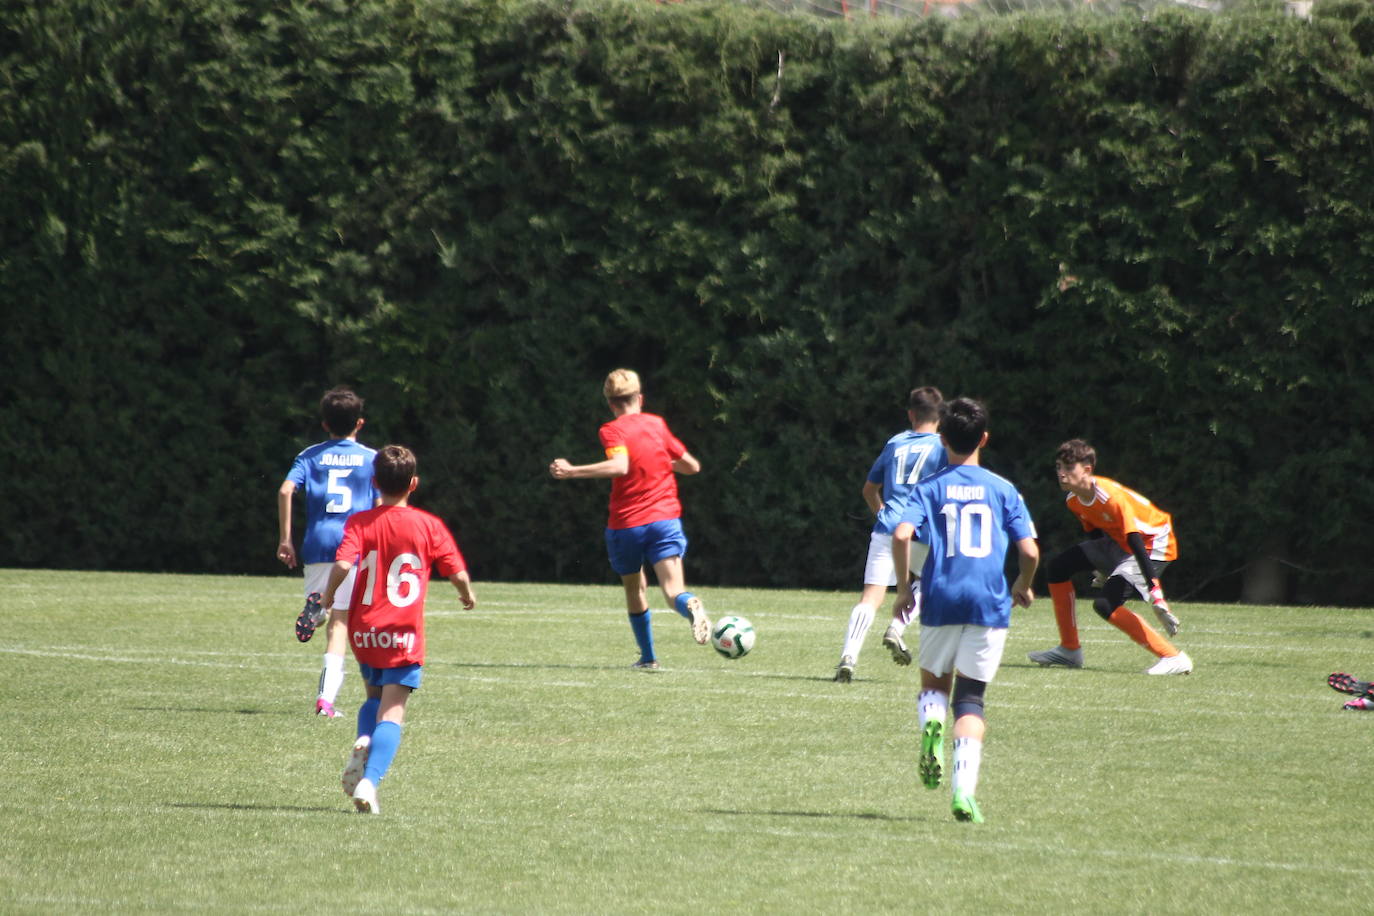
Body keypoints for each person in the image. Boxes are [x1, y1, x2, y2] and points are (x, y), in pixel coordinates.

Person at [891, 397, 1038, 824]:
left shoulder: (929, 487)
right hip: (988, 602)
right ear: (984, 439)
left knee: (934, 686)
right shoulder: (1003, 489)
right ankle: (963, 793)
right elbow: (1030, 551)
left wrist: (903, 590)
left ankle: (931, 723)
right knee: (971, 699)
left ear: (942, 440)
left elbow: (901, 535)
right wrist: (1023, 584)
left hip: (941, 597)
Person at [324, 444, 477, 814]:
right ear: (414, 483)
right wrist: (466, 593)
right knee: (393, 712)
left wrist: (327, 600)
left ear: (374, 482)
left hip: (364, 630)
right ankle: (370, 781)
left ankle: (364, 737)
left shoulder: (359, 522)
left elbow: (343, 565)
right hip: (403, 632)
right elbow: (456, 571)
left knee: (373, 698)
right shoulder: (428, 525)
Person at [548, 369, 711, 669]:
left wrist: (572, 471)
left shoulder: (612, 430)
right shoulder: (657, 424)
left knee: (635, 589)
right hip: (664, 520)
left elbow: (620, 465)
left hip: (627, 524)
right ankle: (689, 604)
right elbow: (692, 466)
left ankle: (648, 658)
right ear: (640, 398)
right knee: (673, 591)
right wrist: (658, 460)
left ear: (611, 403)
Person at [1027, 439, 1192, 676]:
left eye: (1069, 468)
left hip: (1153, 544)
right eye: (1058, 467)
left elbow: (1136, 540)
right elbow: (1095, 533)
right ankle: (1069, 650)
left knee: (1105, 605)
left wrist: (1156, 594)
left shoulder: (1109, 497)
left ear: (1087, 470)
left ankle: (1173, 657)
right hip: (1121, 542)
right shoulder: (1074, 500)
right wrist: (1102, 569)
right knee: (1057, 568)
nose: (1061, 474)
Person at [276, 387, 380, 717]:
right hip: (353, 545)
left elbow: (286, 490)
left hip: (318, 543)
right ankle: (325, 701)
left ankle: (319, 607)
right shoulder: (371, 458)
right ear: (359, 423)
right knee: (341, 624)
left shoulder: (310, 455)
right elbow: (380, 503)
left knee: (330, 612)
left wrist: (285, 539)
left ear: (324, 424)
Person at [834, 386, 947, 682]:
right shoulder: (942, 446)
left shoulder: (895, 443)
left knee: (871, 597)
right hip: (921, 529)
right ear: (940, 416)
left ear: (911, 414)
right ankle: (897, 627)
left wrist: (883, 514)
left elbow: (869, 490)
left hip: (888, 527)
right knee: (931, 582)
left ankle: (848, 656)